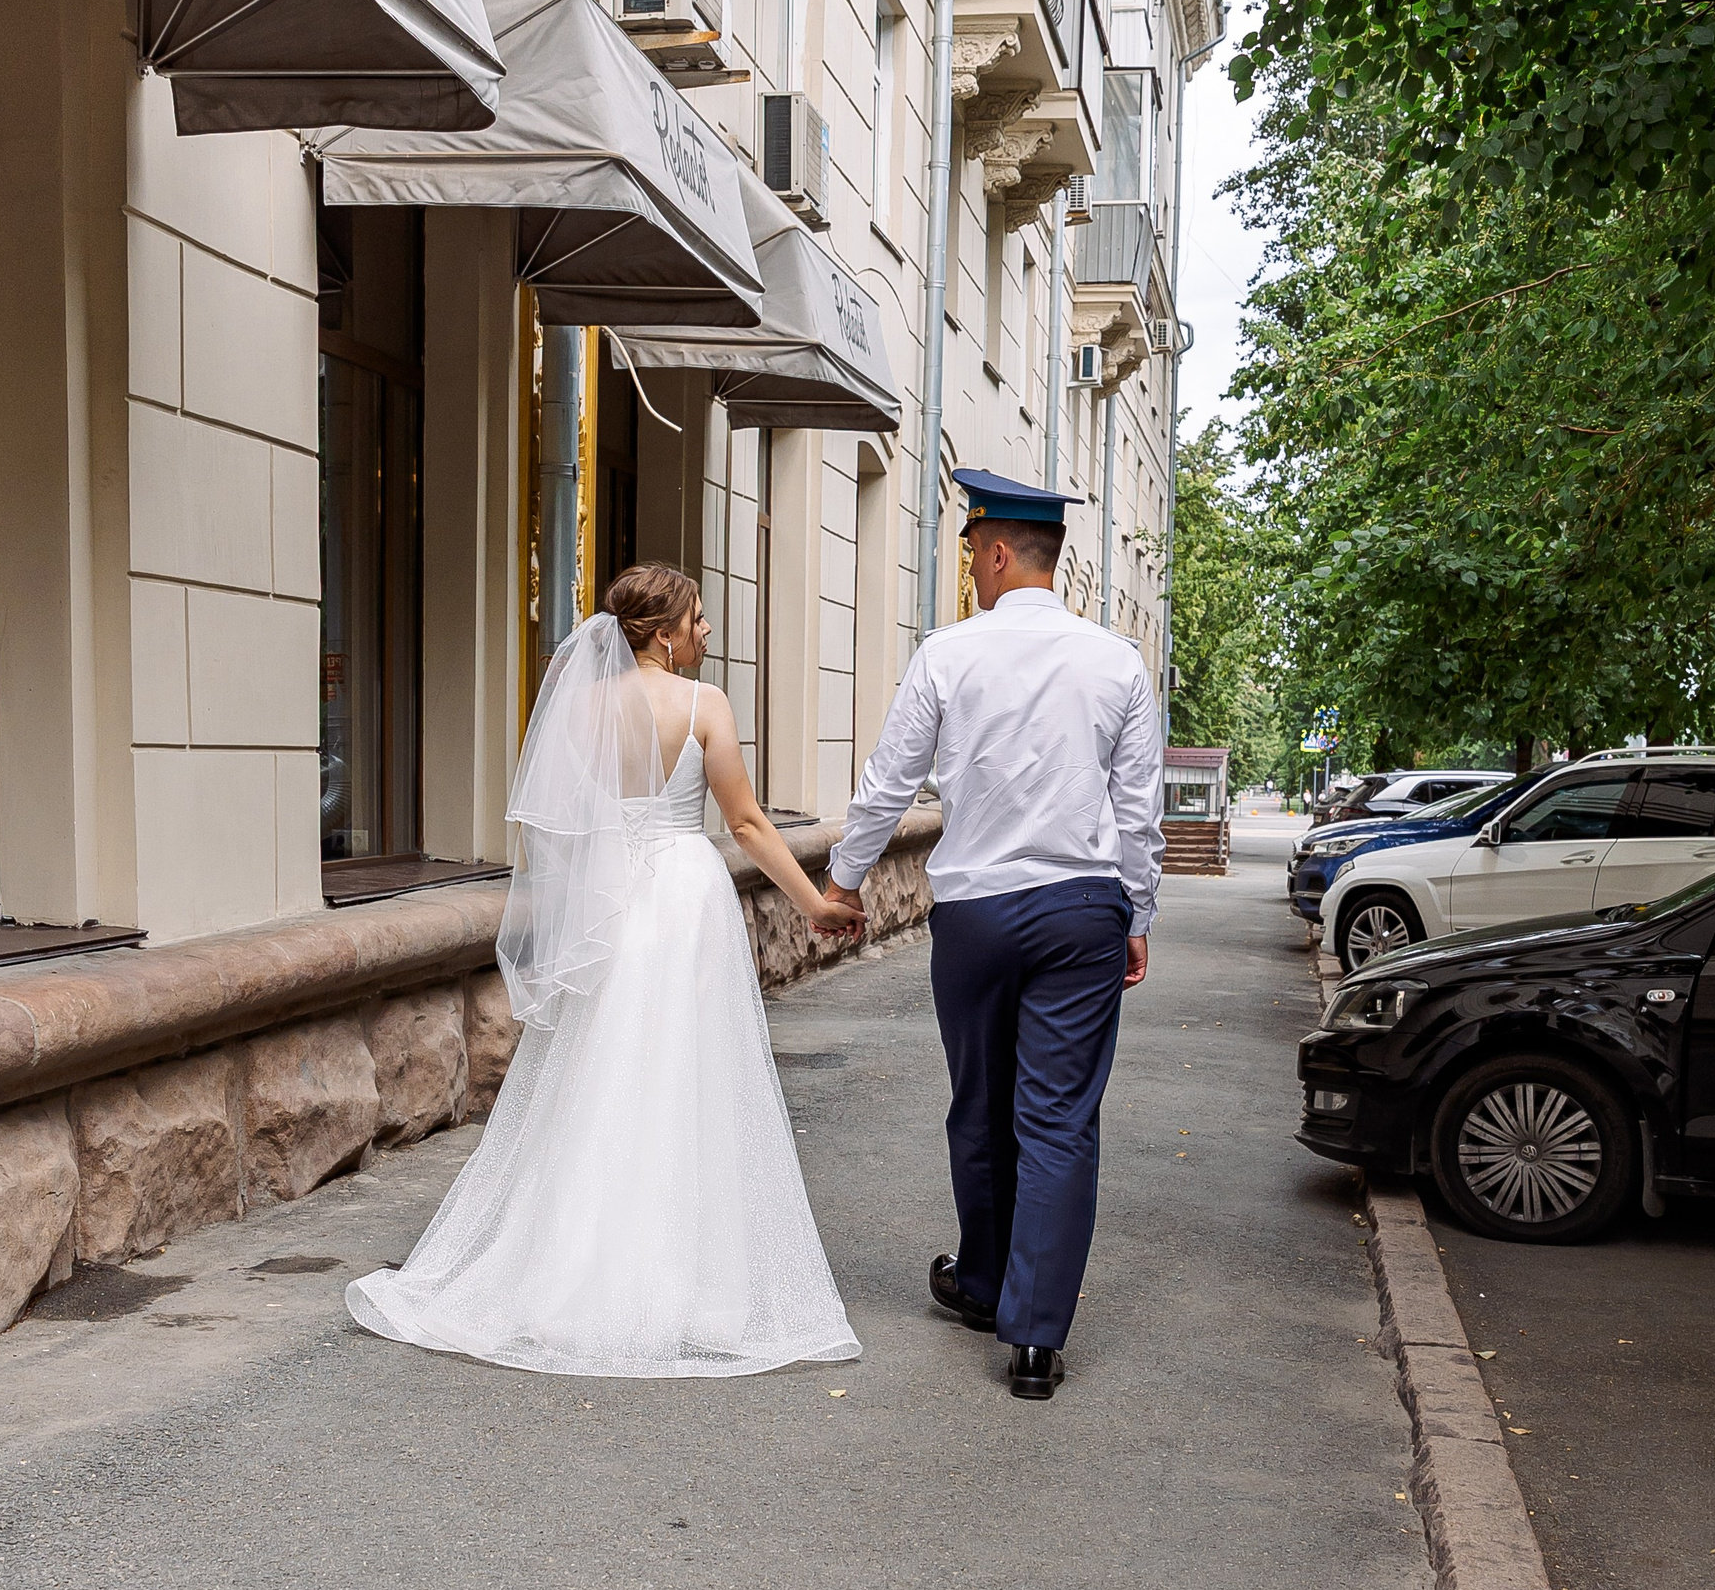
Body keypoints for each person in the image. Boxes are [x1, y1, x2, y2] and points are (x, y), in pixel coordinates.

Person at [347, 564, 868, 1377]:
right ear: (662, 632)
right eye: (697, 619)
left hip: (612, 905)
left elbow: (563, 822)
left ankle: (573, 1276)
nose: (705, 631)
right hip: (685, 902)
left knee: (604, 1075)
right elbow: (746, 822)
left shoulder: (584, 705)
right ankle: (695, 1285)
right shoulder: (704, 705)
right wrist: (816, 903)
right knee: (688, 1077)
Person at [821, 469, 1164, 1401]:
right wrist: (1137, 915)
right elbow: (1137, 811)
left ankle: (981, 1283)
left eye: (972, 552)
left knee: (980, 1102)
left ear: (1001, 551)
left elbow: (890, 779)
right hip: (1081, 910)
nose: (969, 569)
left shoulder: (947, 654)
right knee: (1059, 1117)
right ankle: (1035, 1339)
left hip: (975, 914)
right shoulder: (1118, 663)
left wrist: (844, 879)